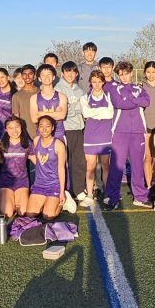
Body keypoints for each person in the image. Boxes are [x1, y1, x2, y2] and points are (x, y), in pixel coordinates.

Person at [104, 62, 151, 209]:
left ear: (131, 73)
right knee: (116, 166)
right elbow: (119, 103)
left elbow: (146, 101)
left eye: (126, 73)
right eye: (121, 74)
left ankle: (140, 197)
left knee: (137, 166)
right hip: (119, 131)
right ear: (118, 75)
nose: (124, 77)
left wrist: (130, 99)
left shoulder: (139, 88)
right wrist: (136, 101)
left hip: (138, 131)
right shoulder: (114, 88)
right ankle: (113, 198)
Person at [81, 70, 114, 207]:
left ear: (103, 82)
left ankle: (107, 193)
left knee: (106, 166)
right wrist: (101, 112)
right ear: (90, 82)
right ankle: (90, 195)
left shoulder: (109, 96)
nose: (97, 84)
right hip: (90, 136)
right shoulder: (85, 97)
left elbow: (110, 114)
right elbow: (86, 113)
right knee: (90, 167)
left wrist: (93, 112)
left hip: (105, 136)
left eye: (99, 82)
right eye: (94, 81)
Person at [57, 61, 88, 204]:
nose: (70, 74)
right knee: (65, 161)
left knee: (79, 160)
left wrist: (73, 107)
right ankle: (66, 189)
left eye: (73, 72)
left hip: (78, 129)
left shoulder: (79, 90)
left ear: (76, 74)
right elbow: (63, 112)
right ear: (62, 73)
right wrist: (76, 108)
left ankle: (79, 189)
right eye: (67, 71)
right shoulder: (58, 89)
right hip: (65, 129)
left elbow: (84, 109)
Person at [26, 116, 67, 220]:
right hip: (39, 185)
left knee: (48, 216)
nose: (44, 129)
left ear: (52, 128)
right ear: (38, 128)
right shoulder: (36, 140)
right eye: (41, 126)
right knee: (30, 214)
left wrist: (62, 192)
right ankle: (45, 203)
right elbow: (38, 160)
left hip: (54, 185)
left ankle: (61, 204)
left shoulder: (59, 144)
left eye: (48, 126)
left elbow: (61, 169)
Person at [0, 116, 32, 218]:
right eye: (10, 128)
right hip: (6, 183)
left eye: (17, 127)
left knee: (23, 212)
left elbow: (37, 159)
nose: (14, 131)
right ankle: (10, 201)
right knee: (8, 213)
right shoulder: (1, 143)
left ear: (21, 127)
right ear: (6, 130)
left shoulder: (28, 143)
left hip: (22, 182)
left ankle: (17, 201)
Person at [29, 64, 68, 140]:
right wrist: (55, 114)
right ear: (39, 78)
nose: (46, 77)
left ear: (53, 77)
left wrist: (41, 113)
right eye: (43, 75)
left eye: (49, 74)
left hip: (58, 135)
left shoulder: (61, 96)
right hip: (41, 136)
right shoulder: (34, 98)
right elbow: (34, 119)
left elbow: (62, 116)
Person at [141, 61, 155, 192]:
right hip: (146, 124)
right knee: (147, 156)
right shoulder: (141, 86)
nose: (151, 74)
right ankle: (148, 184)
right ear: (144, 72)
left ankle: (154, 181)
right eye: (148, 72)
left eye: (153, 72)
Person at [12, 64, 39, 138]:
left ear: (35, 76)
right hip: (25, 135)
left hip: (41, 134)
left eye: (30, 74)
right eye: (24, 74)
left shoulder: (41, 93)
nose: (27, 76)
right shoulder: (16, 96)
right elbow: (16, 118)